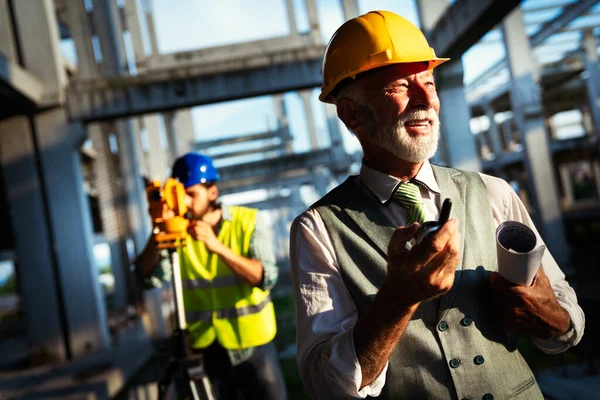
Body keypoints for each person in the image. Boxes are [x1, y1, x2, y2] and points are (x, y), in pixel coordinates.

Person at [289, 10, 585, 400]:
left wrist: (549, 316)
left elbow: (568, 325)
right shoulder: (318, 230)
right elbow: (326, 386)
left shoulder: (493, 192)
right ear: (351, 114)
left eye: (429, 82)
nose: (427, 99)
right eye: (400, 87)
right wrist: (397, 299)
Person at [136, 152, 287, 400]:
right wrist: (158, 229)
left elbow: (266, 277)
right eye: (180, 194)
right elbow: (145, 279)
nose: (184, 202)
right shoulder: (175, 231)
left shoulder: (248, 221)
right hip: (204, 352)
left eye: (192, 194)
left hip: (253, 347)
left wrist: (217, 246)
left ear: (213, 193)